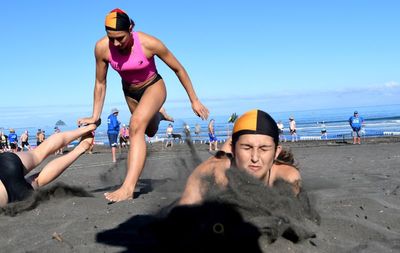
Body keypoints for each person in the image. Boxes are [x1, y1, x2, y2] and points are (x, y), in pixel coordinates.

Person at [77, 8, 209, 202]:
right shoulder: (101, 48)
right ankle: (159, 115)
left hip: (154, 86)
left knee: (135, 125)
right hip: (130, 91)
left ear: (131, 28)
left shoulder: (149, 43)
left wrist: (194, 99)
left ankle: (128, 188)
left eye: (120, 38)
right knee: (149, 131)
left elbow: (178, 69)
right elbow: (100, 83)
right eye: (111, 38)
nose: (116, 43)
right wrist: (95, 115)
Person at [179, 109, 301, 205]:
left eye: (264, 149)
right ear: (233, 150)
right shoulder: (214, 172)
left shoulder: (287, 176)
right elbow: (184, 208)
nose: (255, 158)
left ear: (276, 152)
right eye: (247, 148)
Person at [0, 121, 99, 207]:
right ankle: (85, 129)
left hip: (9, 194)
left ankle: (79, 149)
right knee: (38, 153)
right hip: (5, 166)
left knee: (38, 181)